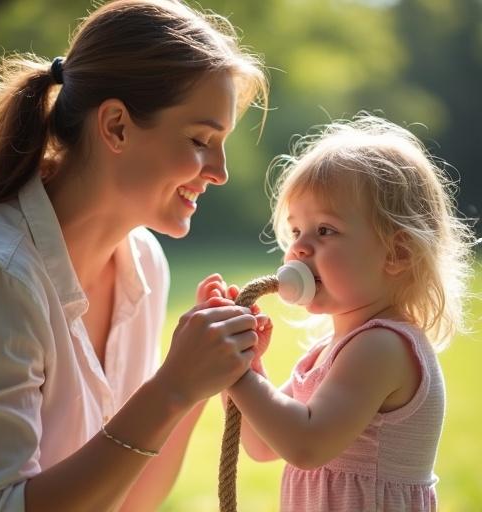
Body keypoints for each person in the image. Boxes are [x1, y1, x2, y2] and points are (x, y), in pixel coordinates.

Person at [0, 1, 268, 511]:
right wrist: (170, 387)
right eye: (201, 139)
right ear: (116, 127)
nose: (220, 171)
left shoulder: (144, 262)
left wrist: (195, 385)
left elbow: (127, 500)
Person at [204, 115, 476, 511]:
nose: (299, 248)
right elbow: (262, 444)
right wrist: (247, 364)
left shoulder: (383, 347)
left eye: (325, 231)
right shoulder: (328, 352)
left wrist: (239, 373)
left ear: (396, 253)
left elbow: (306, 444)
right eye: (296, 231)